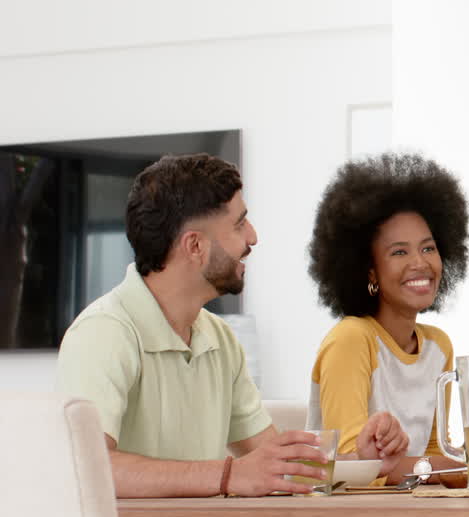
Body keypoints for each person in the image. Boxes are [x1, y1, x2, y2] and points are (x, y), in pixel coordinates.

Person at [57, 154, 408, 498]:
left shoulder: (219, 339)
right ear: (195, 245)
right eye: (239, 224)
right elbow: (84, 466)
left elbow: (279, 464)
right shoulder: (103, 333)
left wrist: (361, 461)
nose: (252, 237)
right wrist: (228, 475)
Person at [306, 153, 469, 484]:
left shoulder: (438, 346)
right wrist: (463, 469)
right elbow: (350, 467)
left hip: (410, 514)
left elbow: (436, 452)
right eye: (399, 252)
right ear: (369, 271)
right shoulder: (351, 340)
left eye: (428, 248)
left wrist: (462, 466)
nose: (420, 263)